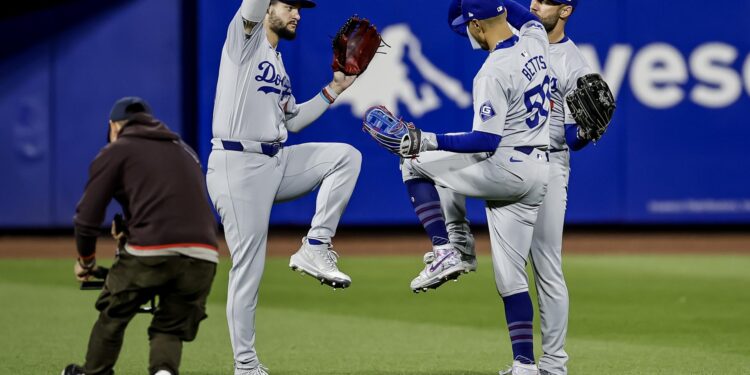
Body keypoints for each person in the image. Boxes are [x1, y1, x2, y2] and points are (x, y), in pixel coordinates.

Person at [205, 1, 362, 374]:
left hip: (274, 160)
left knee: (345, 157)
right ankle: (245, 365)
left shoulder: (276, 60)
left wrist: (334, 90)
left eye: (299, 8)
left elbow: (292, 123)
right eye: (289, 5)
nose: (298, 14)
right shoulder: (243, 40)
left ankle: (316, 246)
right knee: (249, 268)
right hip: (236, 165)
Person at [440, 1, 595, 374]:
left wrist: (589, 130)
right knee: (508, 270)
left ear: (567, 11)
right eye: (534, 0)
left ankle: (555, 364)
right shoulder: (528, 39)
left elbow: (574, 137)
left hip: (551, 163)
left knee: (546, 265)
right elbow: (470, 21)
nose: (536, 5)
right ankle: (524, 363)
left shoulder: (571, 62)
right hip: (511, 159)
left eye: (547, 1)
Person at [397, 0, 551, 373]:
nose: (467, 35)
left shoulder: (493, 71)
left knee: (414, 162)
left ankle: (449, 249)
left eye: (467, 27)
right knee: (510, 276)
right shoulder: (536, 40)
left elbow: (485, 139)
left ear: (478, 26)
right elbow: (526, 17)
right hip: (538, 172)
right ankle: (525, 365)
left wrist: (428, 139)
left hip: (507, 167)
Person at [62, 97, 219, 375]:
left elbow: (86, 218)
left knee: (114, 312)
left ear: (113, 127)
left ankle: (94, 372)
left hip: (152, 250)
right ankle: (163, 372)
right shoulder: (185, 150)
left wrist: (86, 261)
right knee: (170, 326)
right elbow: (172, 205)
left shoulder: (118, 149)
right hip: (205, 254)